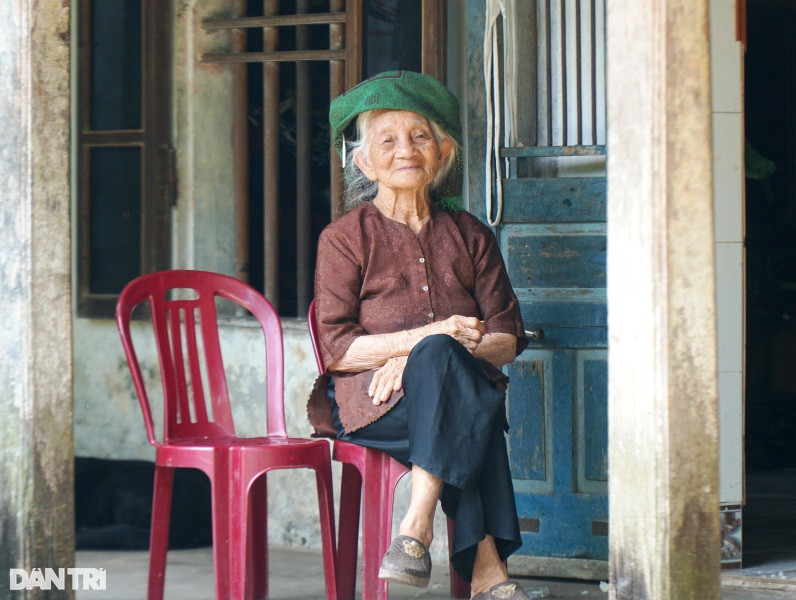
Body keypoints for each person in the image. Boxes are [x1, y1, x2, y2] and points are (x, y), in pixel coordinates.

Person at [307, 70, 532, 600]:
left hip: (451, 394)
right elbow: (339, 351)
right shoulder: (343, 239)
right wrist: (432, 339)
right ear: (363, 161)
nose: (405, 150)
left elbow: (507, 341)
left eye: (421, 136)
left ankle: (415, 530)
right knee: (463, 397)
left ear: (444, 152)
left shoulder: (472, 235)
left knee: (446, 372)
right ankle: (486, 571)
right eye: (387, 140)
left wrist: (438, 352)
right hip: (375, 404)